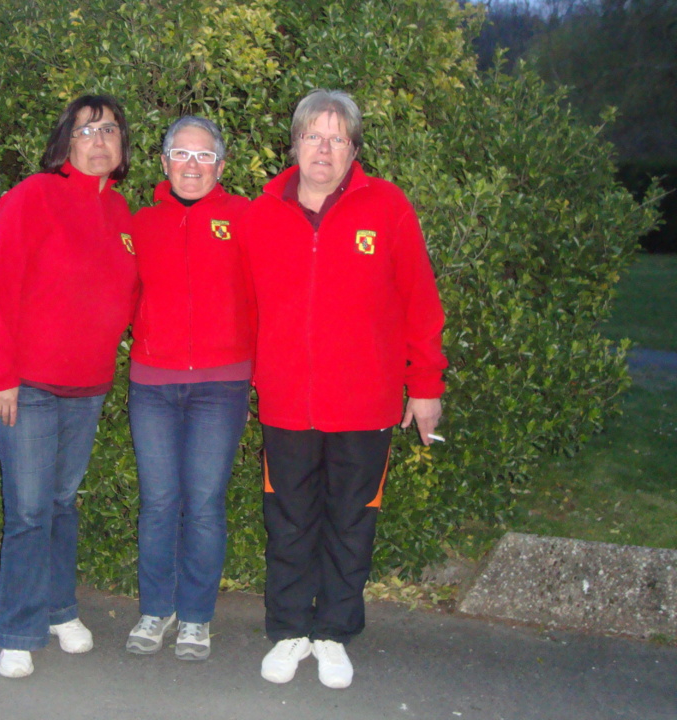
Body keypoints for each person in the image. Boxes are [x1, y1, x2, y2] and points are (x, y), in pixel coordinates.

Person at [238, 90, 447, 689]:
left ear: (354, 147)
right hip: (286, 403)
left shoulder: (386, 207)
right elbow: (247, 307)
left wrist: (424, 383)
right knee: (290, 521)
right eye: (312, 136)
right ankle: (288, 632)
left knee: (351, 522)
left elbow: (419, 300)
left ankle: (332, 633)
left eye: (336, 138)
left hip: (366, 403)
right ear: (295, 143)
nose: (322, 149)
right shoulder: (263, 213)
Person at [0, 95, 138, 679]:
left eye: (111, 131)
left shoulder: (122, 214)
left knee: (62, 503)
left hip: (88, 386)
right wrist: (1, 375)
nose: (100, 140)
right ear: (66, 141)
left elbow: (134, 298)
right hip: (31, 385)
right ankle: (18, 630)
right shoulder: (32, 197)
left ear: (122, 148)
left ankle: (59, 609)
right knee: (27, 511)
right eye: (87, 129)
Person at [124, 116, 252, 661]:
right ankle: (157, 609)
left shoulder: (246, 218)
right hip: (152, 383)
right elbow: (119, 295)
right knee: (158, 502)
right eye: (182, 154)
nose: (192, 166)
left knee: (202, 504)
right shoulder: (140, 224)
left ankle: (196, 617)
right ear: (164, 162)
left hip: (222, 385)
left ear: (221, 166)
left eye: (204, 157)